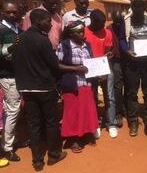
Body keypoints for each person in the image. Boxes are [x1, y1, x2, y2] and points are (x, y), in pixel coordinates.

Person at [13, 9, 67, 171]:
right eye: (47, 21)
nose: (50, 24)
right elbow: (54, 65)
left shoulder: (19, 38)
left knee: (33, 124)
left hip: (26, 89)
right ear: (37, 21)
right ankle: (53, 155)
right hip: (44, 88)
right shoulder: (43, 41)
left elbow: (14, 59)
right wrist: (75, 68)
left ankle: (37, 161)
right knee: (51, 123)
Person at [57, 21, 99, 153]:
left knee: (86, 110)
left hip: (86, 83)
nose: (81, 34)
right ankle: (74, 139)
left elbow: (91, 63)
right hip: (72, 84)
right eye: (78, 31)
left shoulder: (87, 45)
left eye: (82, 31)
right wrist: (75, 68)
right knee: (72, 112)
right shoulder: (64, 46)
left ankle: (86, 133)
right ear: (70, 33)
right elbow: (56, 64)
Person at [124, 0, 147, 136]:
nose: (138, 13)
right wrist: (127, 50)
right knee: (132, 92)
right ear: (132, 9)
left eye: (140, 10)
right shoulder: (126, 20)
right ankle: (133, 121)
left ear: (144, 9)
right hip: (132, 63)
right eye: (135, 10)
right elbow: (121, 38)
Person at [84, 9, 118, 138]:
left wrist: (106, 69)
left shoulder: (107, 33)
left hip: (105, 69)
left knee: (109, 96)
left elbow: (108, 52)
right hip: (90, 70)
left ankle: (111, 124)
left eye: (104, 23)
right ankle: (95, 124)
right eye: (100, 23)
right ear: (92, 21)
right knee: (92, 98)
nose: (103, 26)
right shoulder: (84, 32)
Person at [0, 2, 22, 162]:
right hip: (7, 75)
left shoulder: (17, 28)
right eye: (9, 12)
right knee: (12, 110)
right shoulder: (1, 30)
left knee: (13, 109)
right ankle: (7, 148)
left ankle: (10, 140)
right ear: (3, 12)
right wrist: (11, 48)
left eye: (15, 12)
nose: (12, 15)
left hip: (18, 74)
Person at [108, 11, 127, 128]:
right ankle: (118, 112)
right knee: (118, 86)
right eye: (117, 22)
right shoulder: (109, 29)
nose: (119, 24)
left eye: (121, 22)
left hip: (129, 59)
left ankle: (126, 109)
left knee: (129, 85)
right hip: (116, 60)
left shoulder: (126, 27)